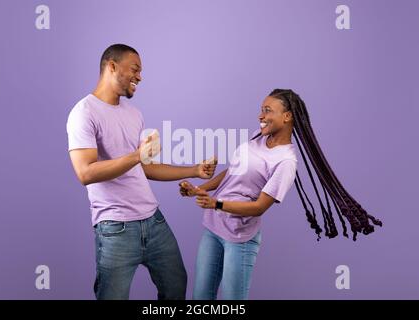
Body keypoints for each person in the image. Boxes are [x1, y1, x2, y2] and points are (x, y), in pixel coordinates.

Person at [179, 89, 382, 300]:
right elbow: (233, 172)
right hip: (214, 228)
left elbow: (259, 207)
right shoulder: (258, 137)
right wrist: (200, 190)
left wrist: (216, 204)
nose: (260, 116)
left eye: (268, 111)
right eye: (261, 110)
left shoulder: (285, 161)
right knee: (200, 297)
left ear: (287, 116)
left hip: (239, 237)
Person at [66, 44, 217, 300]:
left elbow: (143, 167)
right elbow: (85, 172)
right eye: (135, 69)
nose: (140, 77)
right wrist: (137, 155)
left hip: (153, 220)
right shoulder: (84, 113)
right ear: (112, 66)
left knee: (176, 286)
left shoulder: (134, 114)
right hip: (115, 228)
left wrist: (194, 170)